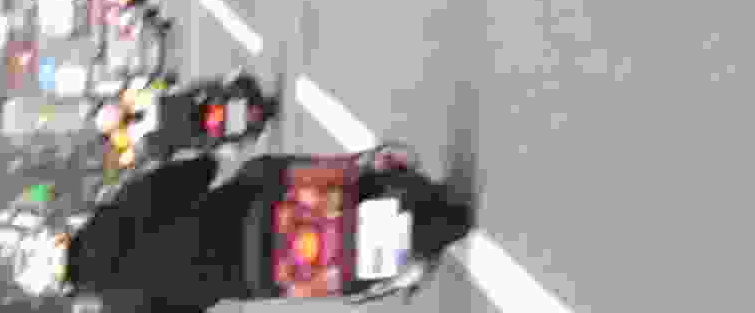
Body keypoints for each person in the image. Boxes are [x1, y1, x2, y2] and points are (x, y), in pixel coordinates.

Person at [55, 145, 472, 308]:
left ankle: (393, 278)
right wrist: (207, 163)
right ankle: (365, 166)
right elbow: (184, 177)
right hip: (249, 209)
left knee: (328, 286)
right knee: (265, 168)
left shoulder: (122, 306)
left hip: (257, 276)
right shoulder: (117, 213)